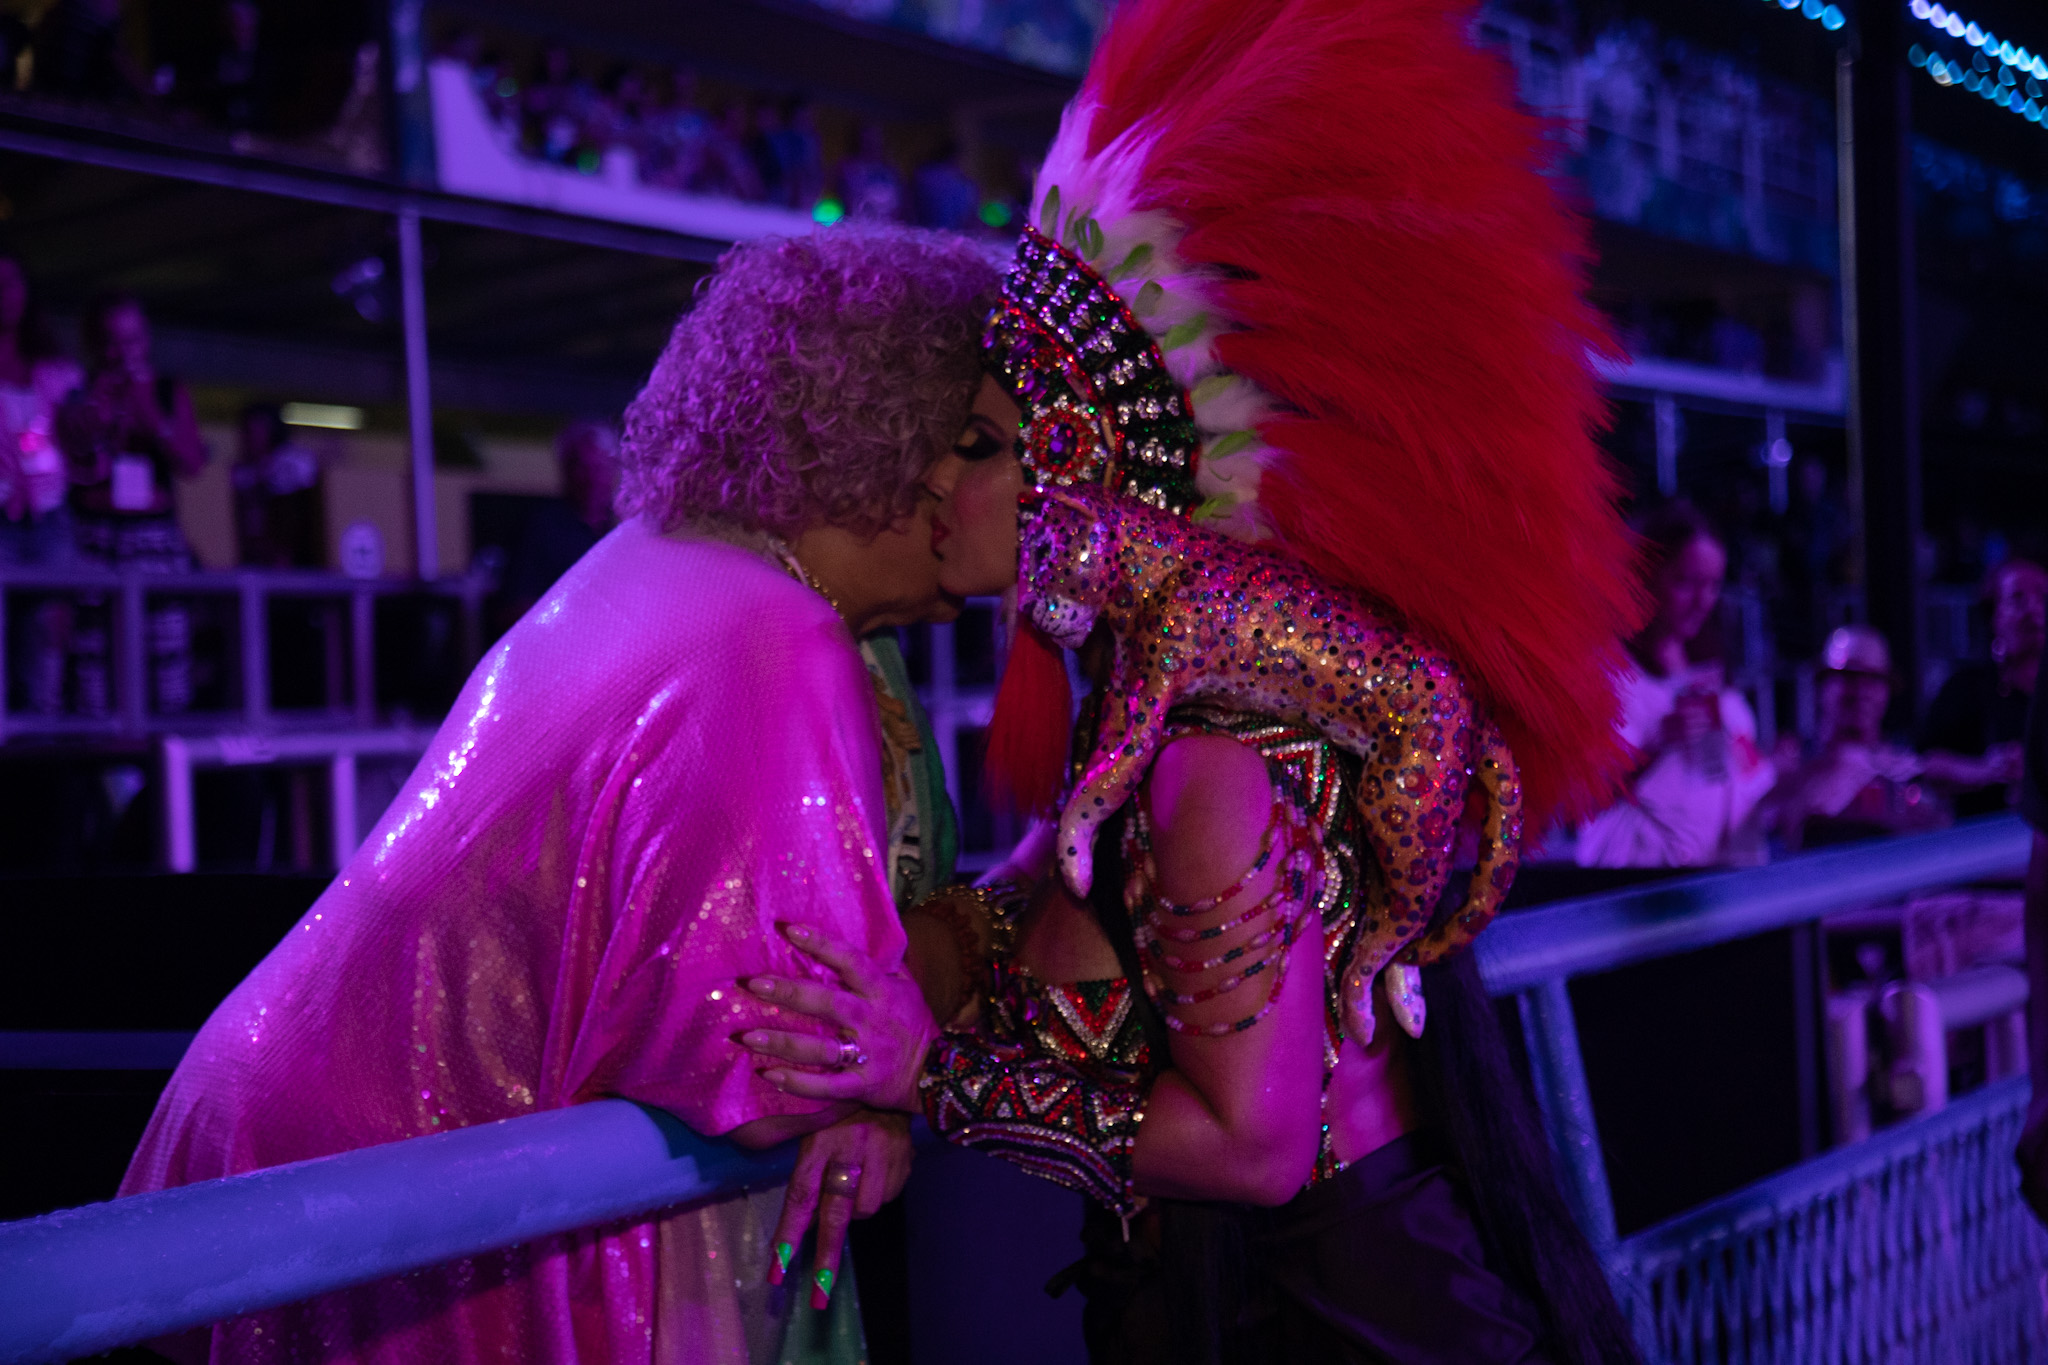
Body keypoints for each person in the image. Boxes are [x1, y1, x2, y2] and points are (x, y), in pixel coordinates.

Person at [739, 0, 1645, 1359]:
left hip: (1342, 1321)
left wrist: (927, 1079)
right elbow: (997, 932)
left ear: (1081, 464)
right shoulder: (1145, 736)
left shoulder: (1214, 762)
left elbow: (1258, 1145)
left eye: (981, 443)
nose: (937, 478)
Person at [119, 226, 998, 1365]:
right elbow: (780, 1065)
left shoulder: (667, 560)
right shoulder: (775, 640)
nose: (1044, 496)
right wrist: (926, 1039)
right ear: (922, 454)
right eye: (1004, 445)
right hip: (384, 1212)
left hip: (287, 1158)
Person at [1576, 502, 1777, 867]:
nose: (1703, 601)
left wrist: (1777, 769)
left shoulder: (1713, 673)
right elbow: (1579, 796)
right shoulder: (1607, 672)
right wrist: (1655, 743)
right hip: (1633, 878)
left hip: (1714, 876)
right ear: (1644, 576)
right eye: (1686, 583)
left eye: (1713, 585)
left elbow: (1746, 771)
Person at [57, 293, 208, 715]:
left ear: (146, 341)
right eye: (110, 342)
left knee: (166, 659)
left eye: (131, 341)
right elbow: (70, 463)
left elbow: (192, 463)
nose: (121, 354)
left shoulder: (166, 391)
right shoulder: (77, 390)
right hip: (95, 538)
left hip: (155, 538)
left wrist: (153, 421)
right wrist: (95, 417)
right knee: (93, 661)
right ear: (93, 344)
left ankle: (167, 762)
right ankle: (101, 764)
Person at [1771, 625, 1945, 852]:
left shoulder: (1905, 771)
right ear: (1823, 686)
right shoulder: (1792, 764)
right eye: (1849, 677)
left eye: (1872, 680)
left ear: (1887, 691)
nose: (1861, 692)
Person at [1921, 558, 2046, 819]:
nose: (2034, 609)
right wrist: (1986, 770)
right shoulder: (1967, 686)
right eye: (2018, 599)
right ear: (1994, 615)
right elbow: (1925, 762)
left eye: (2044, 598)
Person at [491, 418, 618, 631]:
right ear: (565, 471)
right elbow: (515, 608)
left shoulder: (623, 528)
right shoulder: (540, 529)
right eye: (583, 467)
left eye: (601, 467)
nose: (593, 478)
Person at [230, 402, 324, 569]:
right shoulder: (241, 472)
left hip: (294, 556)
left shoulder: (295, 461)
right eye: (248, 430)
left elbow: (306, 484)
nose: (253, 436)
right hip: (253, 554)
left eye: (259, 429)